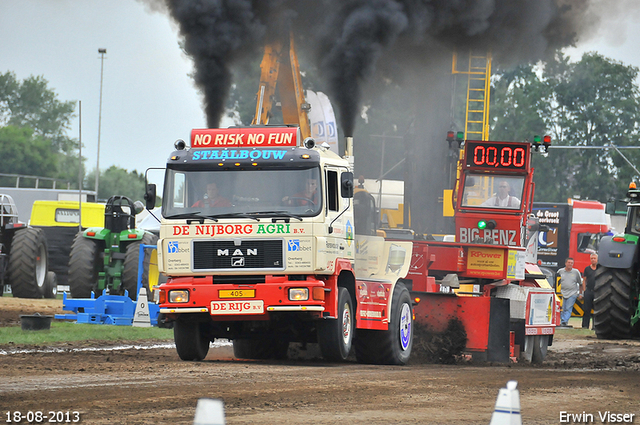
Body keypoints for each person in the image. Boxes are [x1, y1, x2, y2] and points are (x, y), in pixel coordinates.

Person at [557, 257, 583, 328]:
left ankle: (564, 322)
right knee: (562, 308)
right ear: (565, 263)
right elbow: (556, 282)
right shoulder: (560, 271)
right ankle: (563, 321)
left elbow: (581, 283)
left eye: (571, 263)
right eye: (569, 263)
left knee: (568, 308)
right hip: (562, 293)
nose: (570, 264)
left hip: (572, 293)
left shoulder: (576, 272)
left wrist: (580, 293)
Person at [581, 253, 598, 330]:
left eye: (594, 258)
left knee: (597, 310)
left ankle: (595, 326)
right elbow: (584, 280)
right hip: (589, 291)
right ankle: (585, 326)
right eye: (592, 258)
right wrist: (584, 291)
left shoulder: (600, 269)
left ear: (597, 259)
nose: (593, 260)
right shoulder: (587, 269)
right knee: (586, 309)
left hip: (598, 292)